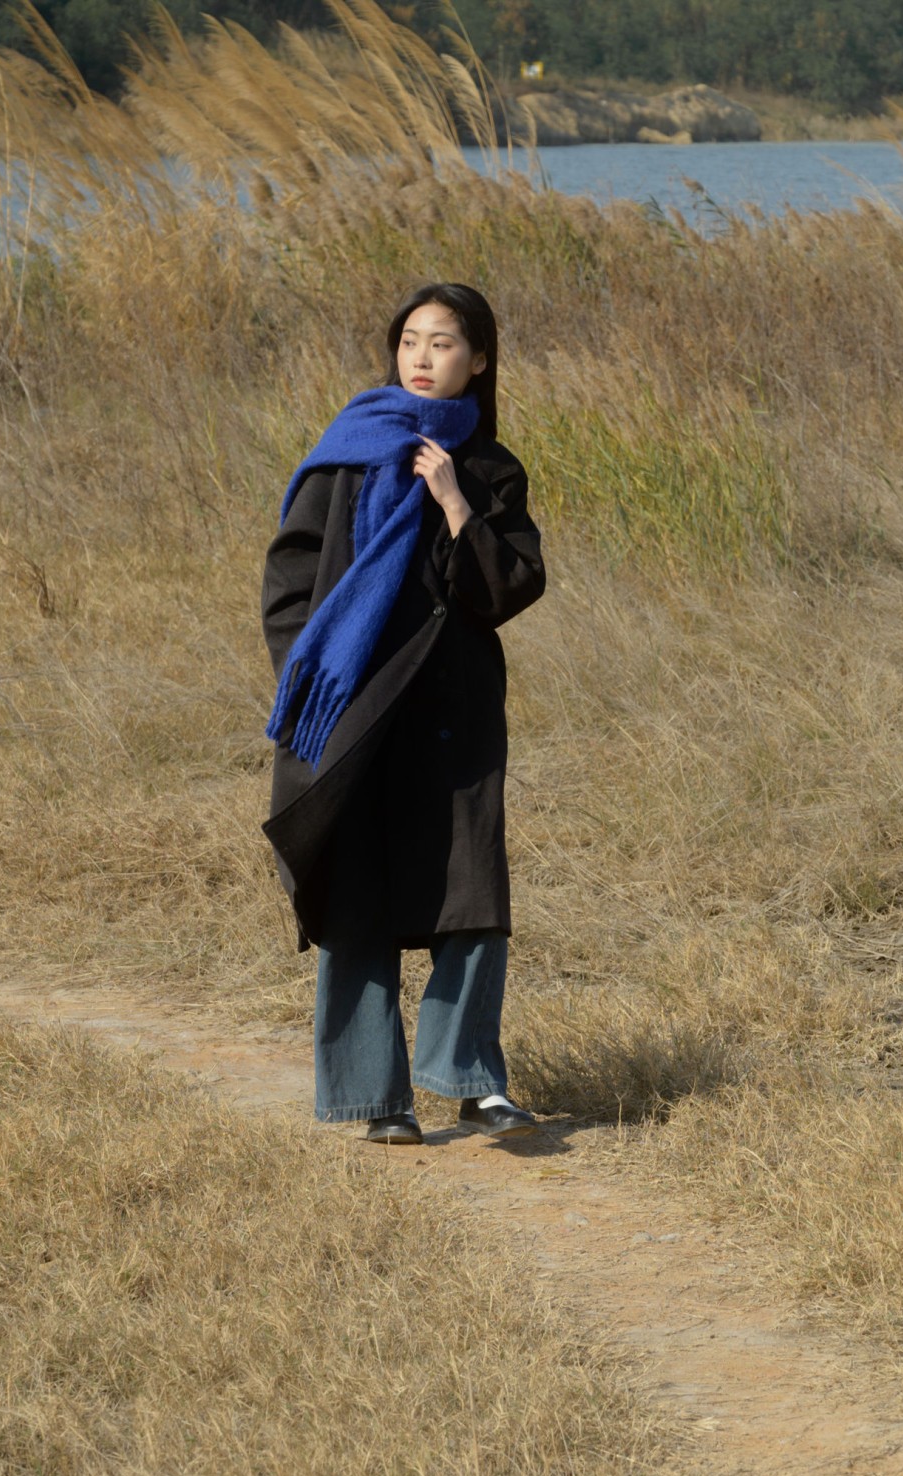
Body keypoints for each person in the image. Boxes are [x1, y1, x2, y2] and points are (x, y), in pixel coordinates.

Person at [260, 282, 549, 1144]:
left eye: (443, 343)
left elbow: (511, 588)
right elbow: (290, 579)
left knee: (472, 892)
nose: (422, 358)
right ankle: (375, 1098)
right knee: (359, 890)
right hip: (355, 711)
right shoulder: (347, 455)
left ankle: (473, 1082)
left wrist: (457, 504)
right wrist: (313, 680)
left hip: (455, 712)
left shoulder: (491, 468)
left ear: (480, 359)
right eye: (411, 340)